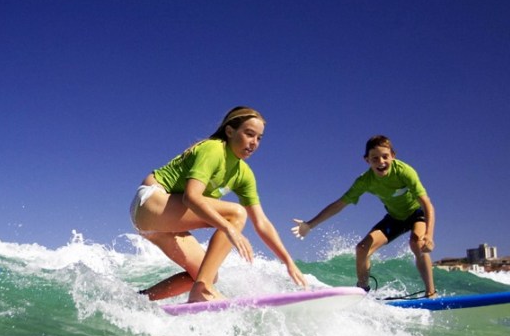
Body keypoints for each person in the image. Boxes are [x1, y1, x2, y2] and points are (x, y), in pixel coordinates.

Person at [130, 106, 307, 303]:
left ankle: (139, 301)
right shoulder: (214, 149)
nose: (254, 143)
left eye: (259, 138)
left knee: (205, 273)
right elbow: (191, 197)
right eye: (249, 134)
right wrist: (228, 227)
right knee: (236, 214)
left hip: (158, 224)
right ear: (230, 131)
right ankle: (202, 291)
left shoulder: (244, 174)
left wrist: (288, 262)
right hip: (151, 200)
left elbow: (261, 222)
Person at [291, 135, 436, 297]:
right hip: (395, 218)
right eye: (374, 159)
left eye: (385, 157)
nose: (381, 162)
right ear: (367, 160)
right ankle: (363, 290)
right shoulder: (365, 181)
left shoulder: (404, 172)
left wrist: (429, 235)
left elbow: (427, 204)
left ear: (393, 156)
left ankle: (431, 292)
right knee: (361, 249)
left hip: (415, 214)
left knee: (417, 242)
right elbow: (339, 204)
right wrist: (310, 224)